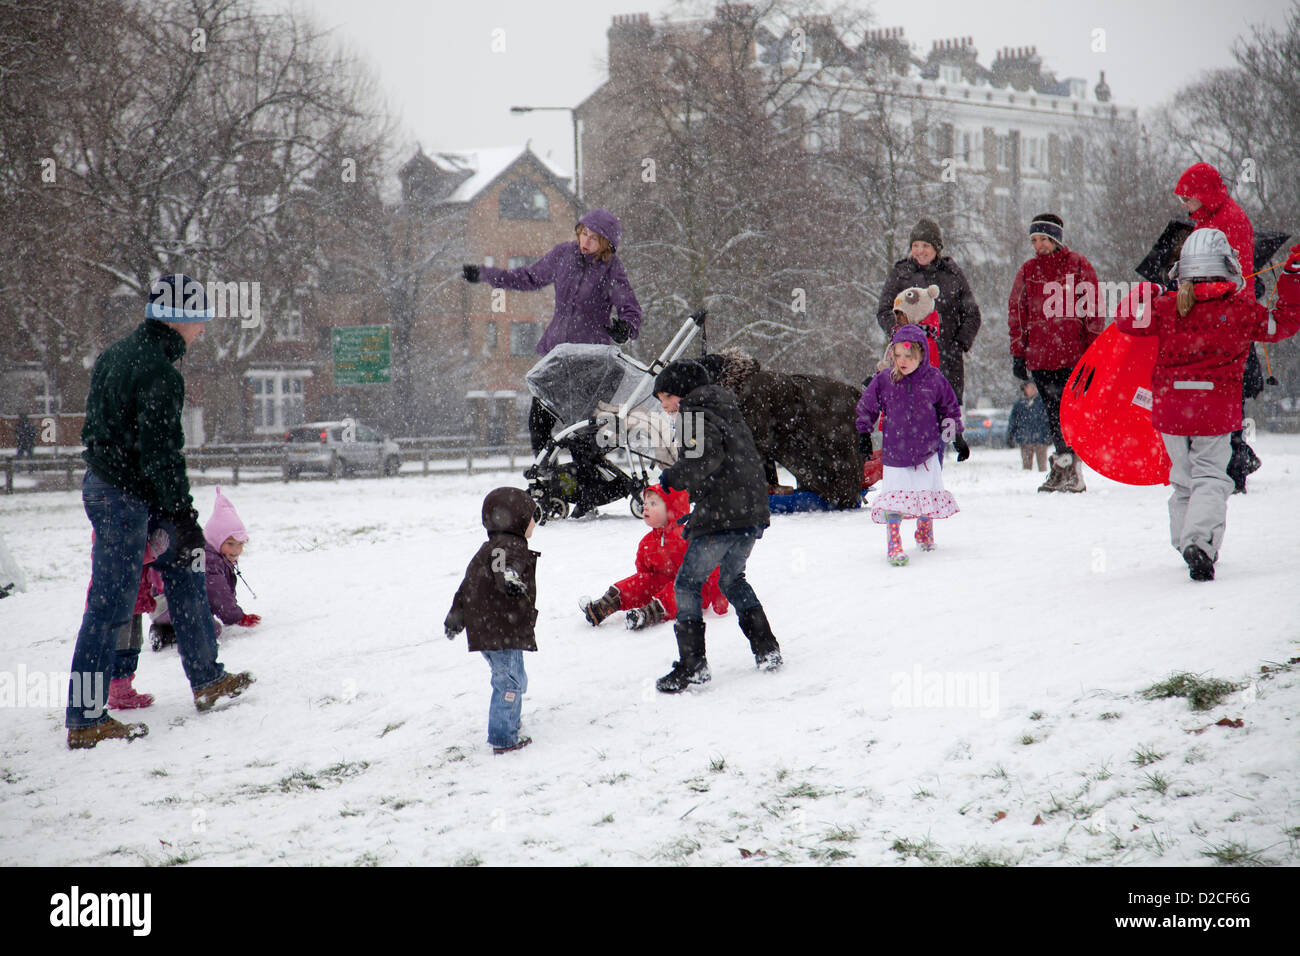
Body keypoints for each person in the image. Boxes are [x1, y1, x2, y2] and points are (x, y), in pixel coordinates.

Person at [67, 274, 253, 749]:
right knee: (110, 603)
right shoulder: (159, 373)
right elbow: (161, 454)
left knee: (187, 572)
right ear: (175, 319)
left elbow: (96, 432)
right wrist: (186, 517)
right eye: (198, 322)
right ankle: (85, 717)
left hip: (120, 487)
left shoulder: (114, 355)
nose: (203, 332)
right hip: (125, 497)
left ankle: (208, 679)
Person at [1113, 231, 1300, 581]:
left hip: (1170, 410)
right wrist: (1293, 277)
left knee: (1183, 481)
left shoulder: (1166, 307)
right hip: (1215, 409)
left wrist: (1145, 291)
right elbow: (1282, 323)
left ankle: (1186, 541)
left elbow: (1126, 320)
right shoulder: (1241, 309)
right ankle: (1199, 543)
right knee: (1211, 478)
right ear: (1227, 266)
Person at [463, 209, 642, 518]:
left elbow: (630, 309)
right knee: (539, 422)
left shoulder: (612, 269)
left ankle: (589, 496)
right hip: (557, 358)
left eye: (594, 239)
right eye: (583, 233)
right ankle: (547, 486)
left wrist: (624, 328)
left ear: (607, 245)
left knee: (581, 435)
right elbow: (528, 278)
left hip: (590, 363)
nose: (586, 241)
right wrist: (486, 274)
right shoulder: (564, 255)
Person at [652, 360, 781, 693]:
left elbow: (701, 460)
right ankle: (767, 649)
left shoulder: (694, 413)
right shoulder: (724, 409)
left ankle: (693, 666)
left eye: (665, 397)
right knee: (731, 578)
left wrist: (672, 477)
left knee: (687, 584)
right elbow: (730, 462)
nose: (664, 406)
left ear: (681, 392)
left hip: (726, 512)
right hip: (750, 511)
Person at [1174, 162, 1263, 493]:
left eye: (1187, 198)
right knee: (1217, 394)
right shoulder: (1208, 220)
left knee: (1227, 394)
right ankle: (1227, 461)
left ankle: (1234, 464)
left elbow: (1228, 272)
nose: (1184, 206)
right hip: (1211, 318)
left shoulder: (1228, 221)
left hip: (1226, 320)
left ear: (1203, 195)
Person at [856, 325, 967, 566]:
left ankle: (924, 530)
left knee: (925, 492)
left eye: (909, 356)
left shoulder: (934, 379)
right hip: (896, 453)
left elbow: (949, 409)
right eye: (897, 355)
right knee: (894, 500)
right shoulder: (885, 380)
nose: (902, 361)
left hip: (927, 452)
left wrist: (956, 436)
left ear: (922, 355)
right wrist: (863, 433)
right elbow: (867, 406)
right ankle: (894, 544)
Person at [1008, 213, 1102, 492]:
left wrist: (1094, 353)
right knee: (1052, 414)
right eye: (1034, 240)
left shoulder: (1077, 265)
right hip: (1040, 357)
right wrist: (1018, 352)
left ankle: (1073, 468)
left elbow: (1093, 310)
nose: (1038, 245)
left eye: (1043, 239)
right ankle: (1061, 467)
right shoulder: (1028, 270)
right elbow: (1017, 313)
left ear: (1055, 239)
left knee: (1070, 415)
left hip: (1073, 356)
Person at [444, 487, 541, 754]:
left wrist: (456, 615)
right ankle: (503, 737)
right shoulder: (505, 547)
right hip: (500, 628)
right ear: (515, 518)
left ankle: (510, 718)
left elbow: (468, 585)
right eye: (533, 516)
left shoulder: (491, 547)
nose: (535, 522)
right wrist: (509, 577)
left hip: (495, 628)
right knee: (508, 681)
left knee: (515, 677)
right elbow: (502, 566)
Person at [580, 483, 728, 630]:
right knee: (637, 583)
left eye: (653, 503)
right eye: (645, 503)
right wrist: (637, 590)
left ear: (671, 509)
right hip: (661, 585)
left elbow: (713, 569)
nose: (646, 507)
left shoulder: (689, 538)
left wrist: (719, 599)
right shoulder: (647, 541)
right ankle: (605, 605)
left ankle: (648, 614)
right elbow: (643, 576)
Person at [875, 218, 982, 404]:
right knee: (908, 416)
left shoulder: (952, 274)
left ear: (937, 247)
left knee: (947, 421)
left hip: (946, 360)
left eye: (925, 245)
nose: (920, 251)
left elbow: (972, 314)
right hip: (908, 359)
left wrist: (958, 345)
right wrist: (899, 334)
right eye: (915, 245)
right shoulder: (901, 274)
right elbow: (884, 310)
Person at [1007, 381, 1050, 472]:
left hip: (1041, 440)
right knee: (1026, 467)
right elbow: (1013, 421)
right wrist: (1010, 435)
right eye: (1028, 387)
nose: (1031, 389)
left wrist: (1049, 436)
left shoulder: (1043, 402)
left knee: (1042, 466)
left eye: (1033, 387)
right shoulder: (1020, 404)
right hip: (1025, 439)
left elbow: (1048, 421)